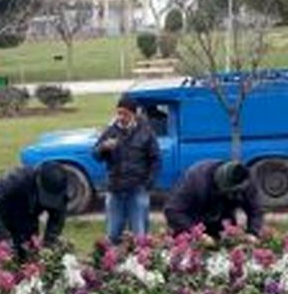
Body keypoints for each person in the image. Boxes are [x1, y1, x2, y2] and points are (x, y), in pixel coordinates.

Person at [93, 95, 160, 243]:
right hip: (115, 188)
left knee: (139, 234)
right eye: (119, 113)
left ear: (134, 114)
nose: (121, 117)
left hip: (137, 189)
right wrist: (103, 148)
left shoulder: (146, 132)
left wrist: (148, 183)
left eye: (125, 113)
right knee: (113, 233)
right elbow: (96, 155)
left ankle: (141, 262)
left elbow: (156, 159)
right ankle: (112, 262)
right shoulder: (111, 131)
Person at [0, 162, 68, 258]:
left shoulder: (59, 187)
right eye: (46, 196)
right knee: (3, 266)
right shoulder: (14, 180)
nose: (49, 201)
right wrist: (4, 238)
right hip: (3, 223)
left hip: (29, 225)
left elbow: (57, 217)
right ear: (38, 181)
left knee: (33, 265)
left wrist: (48, 244)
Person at [165, 160, 265, 239]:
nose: (235, 196)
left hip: (223, 221)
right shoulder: (194, 181)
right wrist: (197, 234)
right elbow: (173, 211)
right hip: (193, 221)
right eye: (230, 193)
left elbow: (256, 209)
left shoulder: (244, 179)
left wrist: (253, 232)